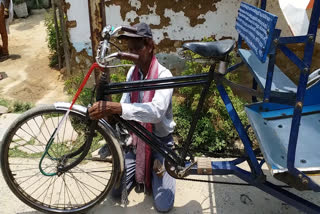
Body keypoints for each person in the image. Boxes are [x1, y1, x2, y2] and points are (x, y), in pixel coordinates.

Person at [89, 22, 176, 212]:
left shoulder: (163, 75)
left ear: (150, 45)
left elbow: (155, 113)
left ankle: (161, 169)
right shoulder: (132, 73)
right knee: (115, 192)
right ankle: (143, 167)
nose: (133, 54)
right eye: (130, 49)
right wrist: (110, 111)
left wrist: (117, 107)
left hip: (160, 144)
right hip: (137, 143)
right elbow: (125, 107)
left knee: (163, 205)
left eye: (138, 48)